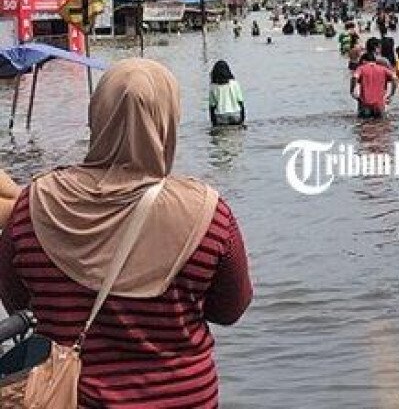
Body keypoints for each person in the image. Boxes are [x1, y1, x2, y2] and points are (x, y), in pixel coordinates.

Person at [0, 59, 252, 407]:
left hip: (70, 397)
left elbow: (17, 300)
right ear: (168, 122)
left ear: (96, 115)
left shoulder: (33, 205)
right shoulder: (209, 214)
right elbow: (230, 310)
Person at [350, 52, 397, 118]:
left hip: (365, 104)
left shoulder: (361, 68)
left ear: (364, 61)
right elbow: (394, 77)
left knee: (363, 125)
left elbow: (355, 77)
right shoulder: (383, 69)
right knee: (381, 125)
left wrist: (352, 91)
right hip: (379, 104)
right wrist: (391, 94)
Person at [208, 60, 245, 126]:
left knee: (222, 135)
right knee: (236, 135)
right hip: (235, 113)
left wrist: (213, 123)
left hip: (221, 115)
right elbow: (240, 102)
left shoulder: (213, 87)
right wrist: (242, 119)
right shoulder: (234, 84)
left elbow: (212, 106)